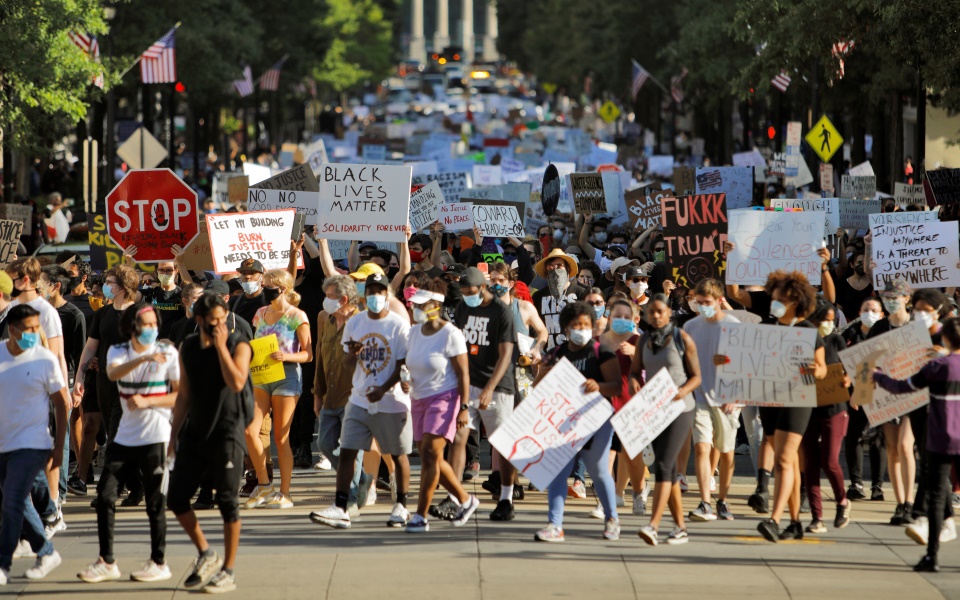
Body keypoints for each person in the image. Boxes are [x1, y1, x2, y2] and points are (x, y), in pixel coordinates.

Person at [78, 303, 178, 583]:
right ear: (131, 327)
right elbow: (113, 374)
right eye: (144, 324)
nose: (150, 330)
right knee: (105, 496)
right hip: (124, 437)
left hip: (156, 435)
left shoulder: (168, 352)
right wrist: (144, 360)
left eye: (153, 324)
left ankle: (159, 562)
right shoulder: (118, 351)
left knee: (155, 503)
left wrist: (149, 400)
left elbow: (179, 396)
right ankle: (106, 560)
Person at [309, 272, 413, 529]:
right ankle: (342, 506)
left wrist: (385, 388)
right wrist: (353, 355)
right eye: (371, 291)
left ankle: (401, 505)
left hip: (390, 400)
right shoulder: (356, 325)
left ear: (386, 294)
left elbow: (402, 363)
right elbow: (345, 360)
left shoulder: (398, 324)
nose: (375, 296)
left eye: (380, 291)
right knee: (346, 452)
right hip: (358, 399)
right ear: (365, 294)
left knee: (397, 454)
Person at [167, 293, 253, 593]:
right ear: (199, 320)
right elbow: (184, 395)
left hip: (228, 432)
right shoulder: (188, 346)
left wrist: (220, 347)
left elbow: (237, 382)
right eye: (212, 321)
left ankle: (228, 569)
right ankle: (207, 553)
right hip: (196, 433)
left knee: (228, 503)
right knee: (176, 499)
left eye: (222, 319)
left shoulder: (238, 344)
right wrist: (173, 435)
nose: (219, 325)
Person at [874, 316, 960, 572]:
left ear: (944, 339)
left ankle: (932, 556)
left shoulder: (937, 366)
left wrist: (877, 376)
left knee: (935, 497)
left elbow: (902, 387)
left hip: (940, 439)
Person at [534, 301, 622, 542]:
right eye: (576, 325)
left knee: (599, 471)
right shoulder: (557, 353)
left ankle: (612, 518)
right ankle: (555, 525)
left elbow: (616, 386)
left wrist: (599, 386)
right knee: (557, 472)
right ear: (565, 328)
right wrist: (544, 372)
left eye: (585, 324)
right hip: (564, 422)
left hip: (597, 422)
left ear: (593, 326)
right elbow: (538, 389)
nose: (581, 329)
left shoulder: (601, 352)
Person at [750, 271, 828, 542]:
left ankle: (774, 519)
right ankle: (795, 522)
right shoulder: (769, 330)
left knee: (783, 459)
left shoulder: (807, 331)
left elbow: (821, 370)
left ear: (795, 301)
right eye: (774, 298)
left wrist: (813, 370)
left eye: (781, 299)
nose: (775, 303)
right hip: (769, 398)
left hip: (796, 399)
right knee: (790, 461)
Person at [401, 281, 480, 531]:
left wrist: (465, 407)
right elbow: (407, 364)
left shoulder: (451, 334)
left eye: (422, 304)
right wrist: (405, 380)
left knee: (432, 453)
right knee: (427, 456)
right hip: (418, 399)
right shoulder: (413, 332)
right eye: (416, 304)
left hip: (445, 398)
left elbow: (464, 374)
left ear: (436, 305)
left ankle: (420, 515)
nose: (416, 308)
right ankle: (466, 500)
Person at [0, 304, 69, 584]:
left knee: (14, 498)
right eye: (28, 329)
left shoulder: (44, 359)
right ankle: (47, 542)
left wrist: (58, 446)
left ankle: (2, 565)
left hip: (33, 442)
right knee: (21, 494)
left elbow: (62, 404)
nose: (34, 333)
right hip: (4, 443)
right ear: (12, 330)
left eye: (36, 327)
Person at [631, 294, 702, 545]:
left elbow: (696, 377)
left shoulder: (682, 339)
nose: (656, 316)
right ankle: (681, 528)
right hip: (655, 409)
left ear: (669, 312)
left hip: (681, 409)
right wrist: (636, 384)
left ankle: (654, 525)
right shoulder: (644, 341)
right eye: (652, 312)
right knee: (668, 469)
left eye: (660, 311)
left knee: (662, 464)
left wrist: (682, 390)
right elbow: (633, 372)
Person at [450, 267, 518, 521]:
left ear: (483, 287)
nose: (468, 296)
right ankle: (456, 496)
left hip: (498, 386)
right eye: (464, 292)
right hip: (470, 383)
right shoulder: (462, 308)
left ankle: (507, 497)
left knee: (502, 443)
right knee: (459, 437)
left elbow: (506, 354)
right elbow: (458, 346)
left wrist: (490, 388)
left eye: (472, 292)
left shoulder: (501, 311)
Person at [244, 270, 313, 510]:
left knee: (281, 437)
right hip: (261, 376)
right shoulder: (260, 313)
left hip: (287, 377)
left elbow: (308, 354)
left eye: (269, 285)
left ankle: (285, 492)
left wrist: (287, 355)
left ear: (282, 288)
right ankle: (264, 485)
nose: (265, 289)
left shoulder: (297, 316)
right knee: (250, 430)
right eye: (264, 285)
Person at [682, 278, 741, 522]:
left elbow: (747, 364)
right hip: (700, 397)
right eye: (699, 302)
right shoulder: (690, 326)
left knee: (726, 453)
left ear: (719, 300)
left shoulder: (734, 325)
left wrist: (736, 395)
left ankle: (723, 501)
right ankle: (705, 502)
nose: (703, 306)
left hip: (728, 399)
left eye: (707, 302)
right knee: (701, 447)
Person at [314, 275, 367, 513]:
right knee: (325, 445)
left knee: (349, 449)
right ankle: (362, 478)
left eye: (330, 296)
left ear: (344, 299)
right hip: (330, 397)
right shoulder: (327, 320)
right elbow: (321, 359)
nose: (326, 301)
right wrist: (317, 392)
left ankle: (350, 498)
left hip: (354, 397)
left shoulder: (361, 322)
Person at [869, 278, 918, 525]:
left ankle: (910, 502)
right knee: (892, 448)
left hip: (913, 393)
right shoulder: (879, 328)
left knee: (905, 445)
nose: (889, 302)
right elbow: (868, 360)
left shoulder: (917, 326)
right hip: (886, 394)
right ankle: (900, 504)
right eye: (886, 298)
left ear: (906, 299)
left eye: (894, 298)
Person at [803, 301, 852, 533]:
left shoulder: (836, 340)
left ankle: (842, 501)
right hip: (808, 407)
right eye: (824, 320)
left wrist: (847, 381)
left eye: (832, 320)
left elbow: (850, 369)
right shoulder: (802, 341)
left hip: (834, 407)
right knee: (810, 463)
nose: (828, 324)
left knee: (829, 460)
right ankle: (817, 517)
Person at [842, 298, 887, 501]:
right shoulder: (849, 334)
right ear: (859, 312)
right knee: (854, 437)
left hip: (881, 391)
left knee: (879, 440)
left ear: (882, 314)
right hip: (854, 394)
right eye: (866, 309)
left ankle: (877, 486)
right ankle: (856, 483)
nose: (870, 313)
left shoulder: (887, 334)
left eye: (874, 310)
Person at [532, 249, 585, 350]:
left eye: (559, 265)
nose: (555, 269)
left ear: (567, 270)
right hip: (547, 355)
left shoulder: (581, 294)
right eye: (550, 267)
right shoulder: (538, 297)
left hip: (574, 354)